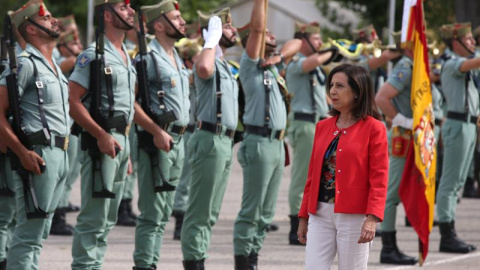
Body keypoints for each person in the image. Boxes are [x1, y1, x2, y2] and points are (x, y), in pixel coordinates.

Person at [0, 1, 71, 269]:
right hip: (39, 154)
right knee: (29, 234)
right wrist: (21, 151)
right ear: (31, 28)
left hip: (60, 153)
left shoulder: (53, 66)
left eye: (52, 15)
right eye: (47, 18)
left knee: (39, 234)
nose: (54, 20)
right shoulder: (26, 64)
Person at [297, 63, 388, 270]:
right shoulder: (323, 126)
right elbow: (312, 176)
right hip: (320, 213)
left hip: (355, 216)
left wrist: (372, 218)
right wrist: (303, 216)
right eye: (331, 85)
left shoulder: (374, 128)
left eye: (340, 86)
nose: (332, 91)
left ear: (357, 92)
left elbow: (379, 178)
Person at [233, 0, 302, 269]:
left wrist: (280, 58)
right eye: (267, 34)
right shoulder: (251, 66)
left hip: (276, 143)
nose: (271, 34)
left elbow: (297, 43)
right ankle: (243, 262)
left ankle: (254, 258)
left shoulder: (273, 68)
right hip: (258, 141)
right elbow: (258, 29)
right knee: (251, 210)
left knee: (266, 212)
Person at [69, 0, 136, 268]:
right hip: (103, 141)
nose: (131, 12)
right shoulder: (93, 54)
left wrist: (125, 149)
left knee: (108, 217)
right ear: (107, 15)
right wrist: (100, 134)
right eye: (123, 8)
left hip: (121, 142)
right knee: (94, 216)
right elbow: (73, 101)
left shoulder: (125, 54)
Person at [133, 1, 190, 268]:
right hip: (158, 140)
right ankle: (145, 265)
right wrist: (155, 130)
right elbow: (129, 102)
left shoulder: (175, 57)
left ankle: (151, 262)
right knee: (152, 214)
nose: (182, 22)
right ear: (158, 25)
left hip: (179, 140)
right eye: (176, 18)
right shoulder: (147, 58)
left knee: (164, 213)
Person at [180, 9, 238, 269]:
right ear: (211, 32)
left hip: (224, 141)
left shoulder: (224, 64)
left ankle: (199, 258)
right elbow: (203, 67)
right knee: (199, 211)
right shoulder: (207, 58)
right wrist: (211, 38)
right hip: (209, 138)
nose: (233, 31)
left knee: (211, 213)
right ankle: (194, 262)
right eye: (226, 26)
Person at [285, 21, 334, 246]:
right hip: (304, 124)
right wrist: (332, 52)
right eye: (316, 39)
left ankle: (310, 220)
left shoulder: (313, 67)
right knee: (302, 175)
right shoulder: (296, 63)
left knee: (316, 175)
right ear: (302, 40)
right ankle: (296, 224)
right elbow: (313, 60)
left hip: (318, 123)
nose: (321, 43)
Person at [374, 34, 419, 265]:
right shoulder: (405, 66)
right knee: (392, 194)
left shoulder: (415, 66)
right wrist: (402, 119)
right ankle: (388, 248)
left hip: (414, 136)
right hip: (403, 136)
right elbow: (381, 98)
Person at [436, 22, 480, 253]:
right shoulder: (452, 64)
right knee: (450, 182)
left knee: (459, 184)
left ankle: (450, 230)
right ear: (457, 43)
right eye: (470, 39)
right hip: (457, 124)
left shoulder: (467, 65)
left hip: (470, 126)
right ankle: (446, 234)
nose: (473, 43)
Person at [48, 29, 83, 236]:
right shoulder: (60, 60)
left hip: (70, 124)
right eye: (74, 43)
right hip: (61, 126)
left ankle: (59, 213)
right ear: (64, 45)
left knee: (70, 173)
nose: (78, 47)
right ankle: (56, 216)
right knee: (62, 174)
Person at [171, 37, 202, 240]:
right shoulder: (189, 74)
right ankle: (179, 221)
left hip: (198, 131)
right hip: (188, 131)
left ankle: (187, 217)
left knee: (193, 179)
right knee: (185, 179)